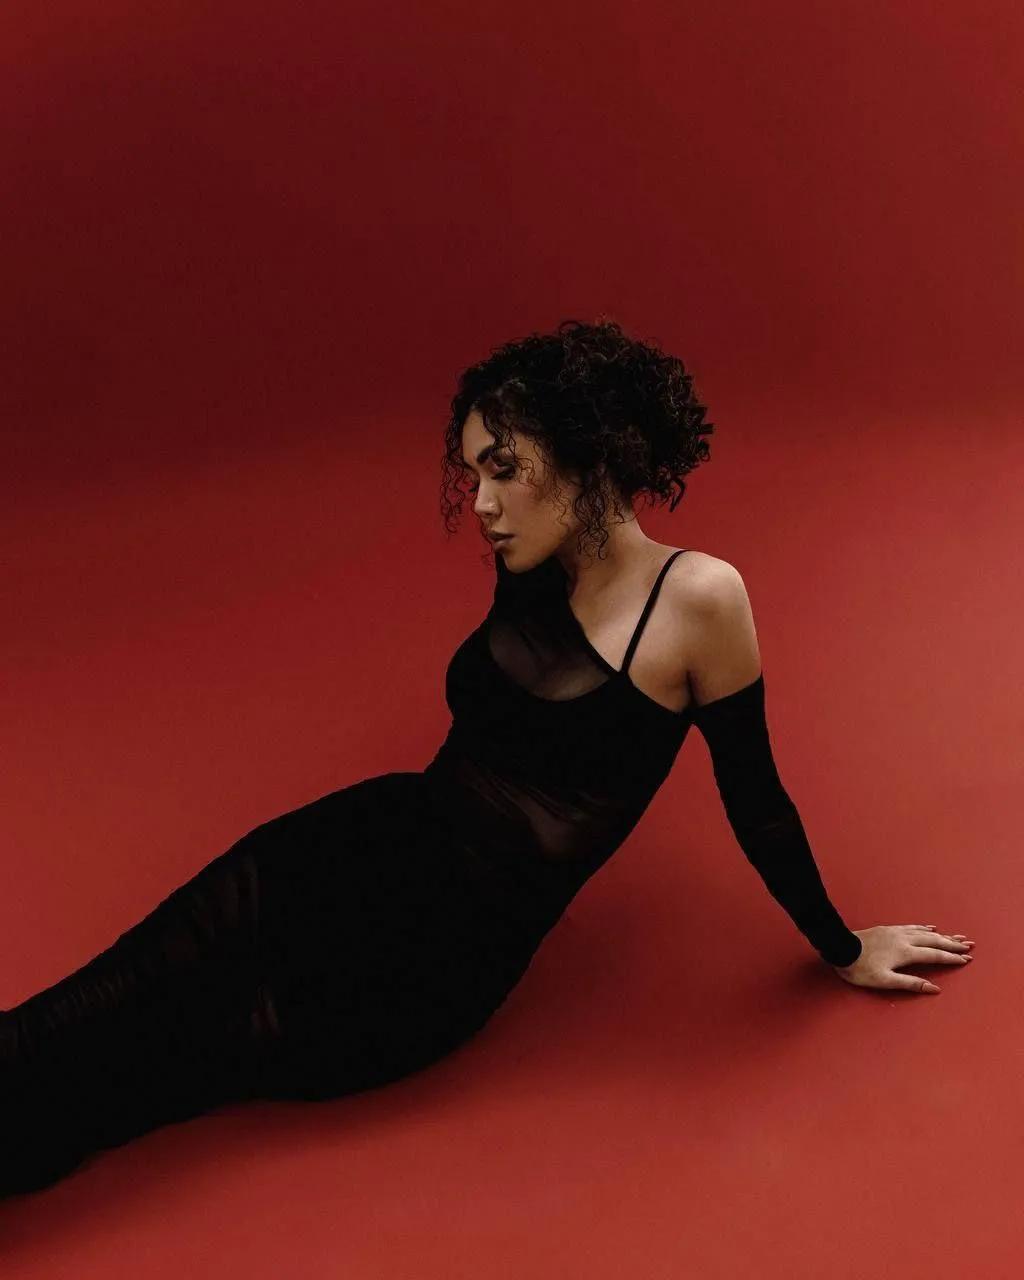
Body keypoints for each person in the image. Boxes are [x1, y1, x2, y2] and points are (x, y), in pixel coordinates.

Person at [0, 318, 974, 1199]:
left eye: (503, 467)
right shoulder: (529, 562)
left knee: (126, 1078)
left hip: (425, 959)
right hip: (345, 844)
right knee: (75, 1016)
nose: (482, 502)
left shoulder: (700, 598)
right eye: (472, 473)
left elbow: (755, 799)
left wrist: (842, 946)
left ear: (586, 453)